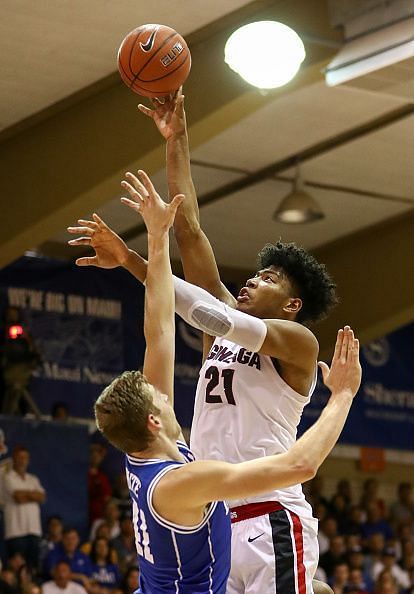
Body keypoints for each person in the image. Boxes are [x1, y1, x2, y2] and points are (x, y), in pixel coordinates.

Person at [69, 92, 338, 594]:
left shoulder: (297, 343)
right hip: (211, 520)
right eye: (256, 273)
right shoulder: (224, 321)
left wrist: (135, 260)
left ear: (292, 304)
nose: (253, 281)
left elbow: (200, 309)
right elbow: (188, 226)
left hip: (268, 516)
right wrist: (177, 138)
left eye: (270, 278)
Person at [3, 446, 45, 570]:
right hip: (15, 531)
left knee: (32, 569)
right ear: (14, 459)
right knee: (17, 569)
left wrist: (25, 494)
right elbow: (18, 498)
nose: (22, 460)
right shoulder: (7, 477)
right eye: (19, 457)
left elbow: (42, 497)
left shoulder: (33, 479)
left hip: (34, 530)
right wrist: (33, 494)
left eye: (25, 457)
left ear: (28, 460)